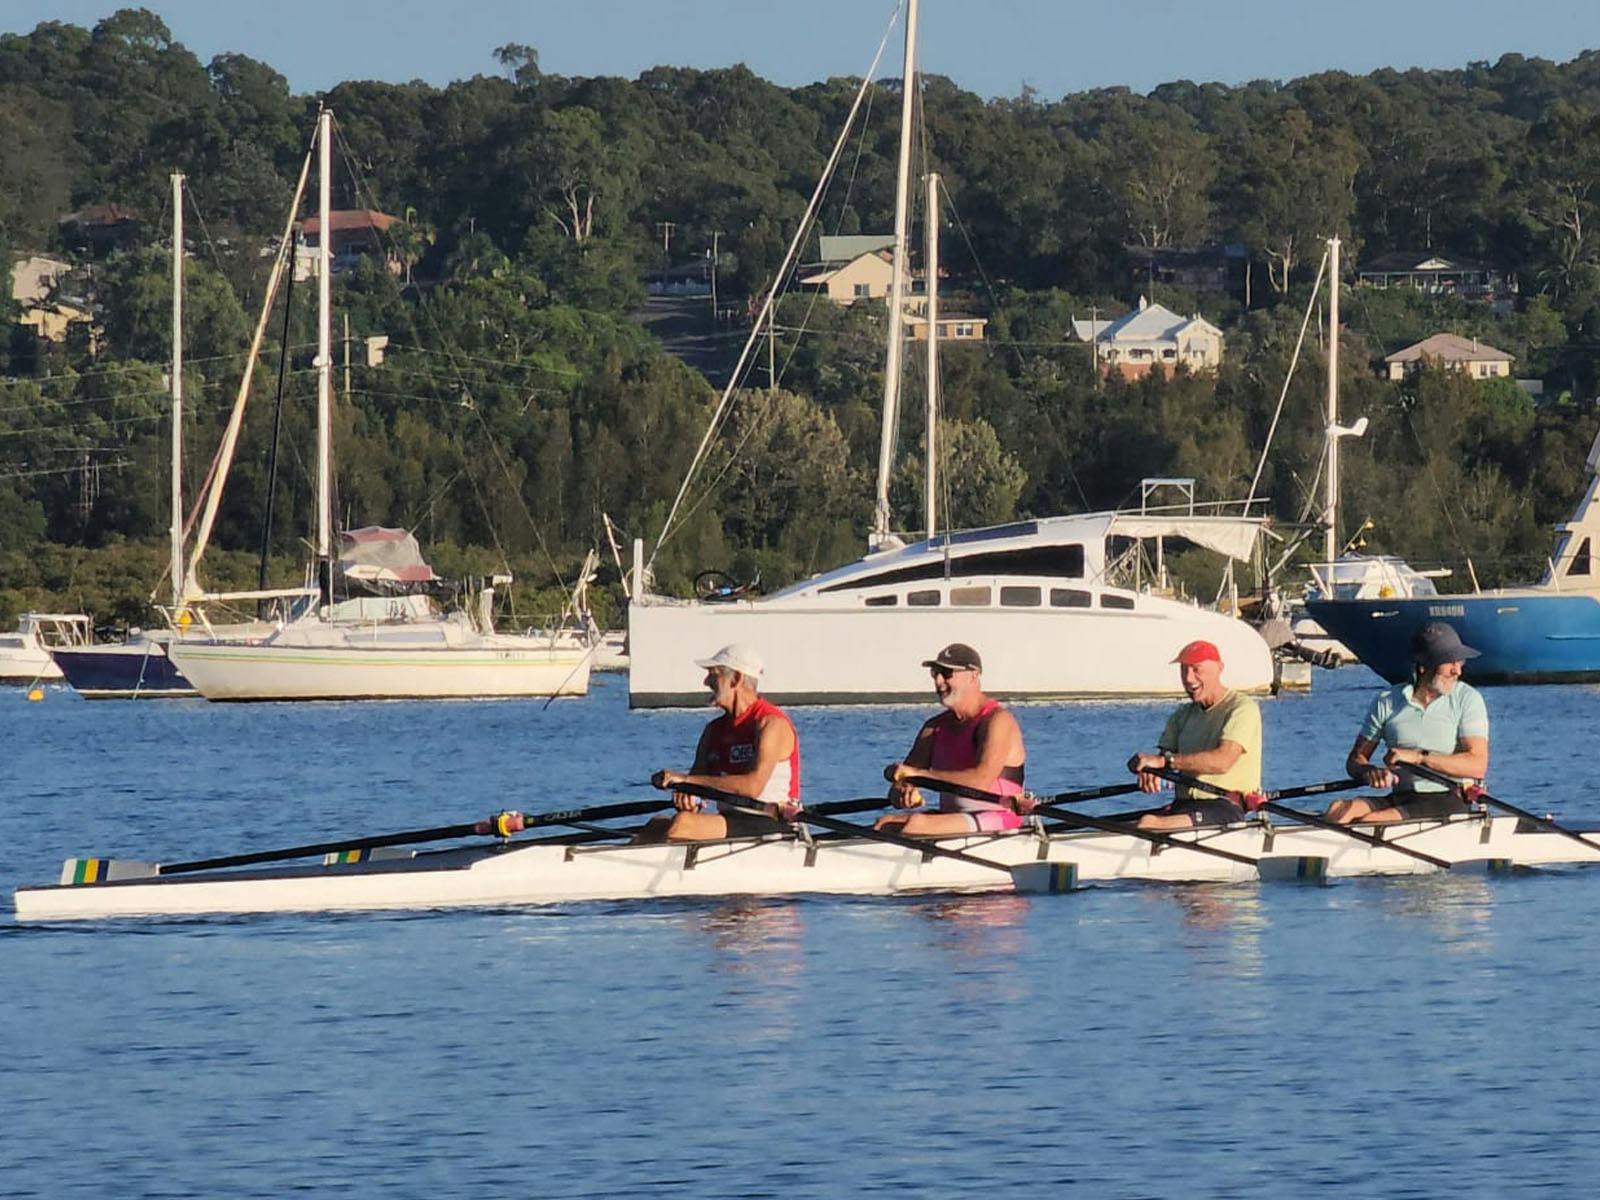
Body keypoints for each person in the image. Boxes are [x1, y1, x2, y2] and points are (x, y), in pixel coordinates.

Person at [1326, 621, 1489, 824]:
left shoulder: (1467, 699)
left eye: (1460, 662)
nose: (1458, 671)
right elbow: (1355, 760)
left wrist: (1419, 758)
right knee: (1338, 810)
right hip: (1402, 796)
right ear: (1423, 667)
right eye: (1450, 662)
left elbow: (1477, 765)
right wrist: (1369, 772)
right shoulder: (1387, 701)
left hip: (1449, 798)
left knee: (1372, 820)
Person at [636, 643, 801, 843]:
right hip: (732, 820)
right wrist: (687, 796)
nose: (706, 681)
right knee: (655, 826)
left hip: (772, 820)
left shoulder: (771, 724)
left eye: (714, 674)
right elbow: (695, 785)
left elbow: (752, 787)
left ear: (736, 679)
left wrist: (686, 781)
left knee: (683, 824)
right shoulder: (713, 731)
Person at [879, 643, 1028, 836]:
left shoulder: (997, 720)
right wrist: (902, 792)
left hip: (1001, 815)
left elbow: (981, 779)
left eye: (947, 673)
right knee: (884, 823)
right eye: (935, 673)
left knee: (917, 824)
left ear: (973, 675)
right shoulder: (934, 727)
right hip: (956, 817)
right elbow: (904, 780)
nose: (939, 681)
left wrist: (917, 775)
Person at [1125, 639, 1262, 830]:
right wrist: (1147, 769)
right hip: (1184, 805)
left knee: (1147, 823)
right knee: (1123, 826)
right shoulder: (1182, 714)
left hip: (1225, 807)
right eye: (1184, 670)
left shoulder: (1241, 708)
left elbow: (1222, 761)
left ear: (1219, 668)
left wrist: (1166, 762)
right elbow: (1162, 758)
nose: (1188, 678)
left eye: (1196, 669)